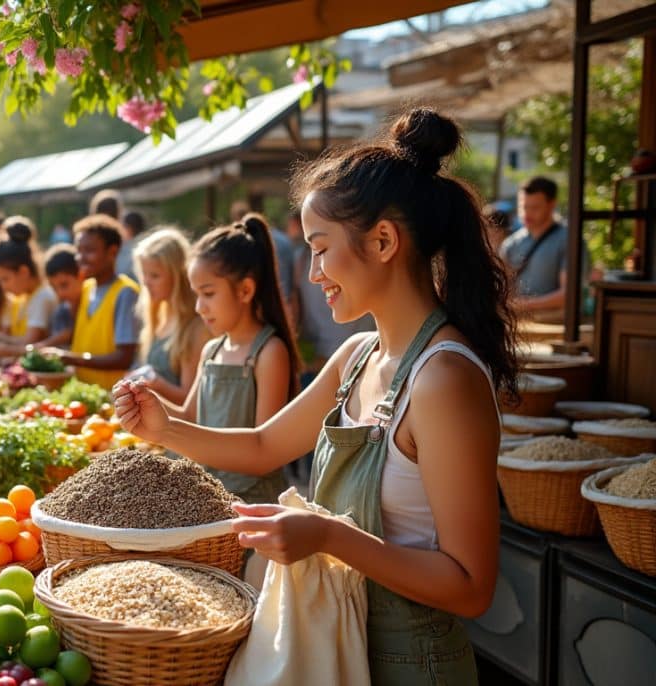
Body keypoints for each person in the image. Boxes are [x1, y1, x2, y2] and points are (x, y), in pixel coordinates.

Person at [114, 108, 514, 683]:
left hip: (412, 665)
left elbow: (471, 587)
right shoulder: (356, 357)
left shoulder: (444, 380)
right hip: (340, 647)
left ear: (382, 241)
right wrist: (164, 429)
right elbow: (261, 445)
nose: (313, 272)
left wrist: (328, 537)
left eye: (321, 248)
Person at [153, 215, 298, 504]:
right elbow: (189, 416)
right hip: (209, 495)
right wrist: (145, 400)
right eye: (196, 295)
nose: (199, 307)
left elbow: (265, 452)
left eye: (208, 294)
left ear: (245, 290)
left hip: (250, 502)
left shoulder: (269, 352)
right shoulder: (212, 350)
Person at [47, 215, 139, 388]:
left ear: (112, 252)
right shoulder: (87, 288)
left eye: (89, 251)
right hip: (83, 395)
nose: (81, 258)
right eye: (78, 251)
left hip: (113, 399)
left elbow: (124, 358)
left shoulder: (126, 292)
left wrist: (69, 358)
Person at [289, 208, 375, 387]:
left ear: (381, 242)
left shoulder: (433, 371)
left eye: (321, 250)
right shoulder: (356, 346)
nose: (313, 276)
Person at [128, 228, 209, 406]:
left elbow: (191, 402)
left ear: (178, 276)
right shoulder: (156, 316)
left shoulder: (195, 326)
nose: (146, 283)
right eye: (144, 274)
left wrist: (154, 382)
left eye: (155, 276)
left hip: (176, 429)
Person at [499, 176, 581, 320]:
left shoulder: (570, 240)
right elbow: (501, 290)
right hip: (516, 324)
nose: (527, 213)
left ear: (552, 205)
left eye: (535, 207)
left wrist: (525, 305)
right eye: (523, 207)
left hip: (555, 324)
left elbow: (570, 294)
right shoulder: (510, 244)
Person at [0, 218, 59, 356]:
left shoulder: (43, 297)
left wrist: (2, 349)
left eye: (6, 279)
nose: (3, 287)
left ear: (23, 271)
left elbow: (29, 344)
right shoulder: (22, 298)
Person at [37, 244, 83, 348]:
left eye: (64, 285)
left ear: (81, 276)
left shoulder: (94, 305)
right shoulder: (61, 312)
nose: (60, 293)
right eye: (54, 288)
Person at [117, 210, 145, 280]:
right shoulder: (122, 246)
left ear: (129, 228)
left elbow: (120, 272)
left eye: (122, 225)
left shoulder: (135, 249)